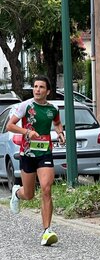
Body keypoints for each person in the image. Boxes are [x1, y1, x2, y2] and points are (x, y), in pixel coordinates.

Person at [6, 75, 65, 246]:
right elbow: (10, 125)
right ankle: (17, 193)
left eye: (41, 87)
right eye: (35, 86)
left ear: (48, 91)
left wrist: (60, 133)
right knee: (29, 194)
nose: (37, 89)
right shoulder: (26, 106)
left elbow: (57, 122)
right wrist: (27, 132)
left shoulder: (53, 109)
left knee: (46, 188)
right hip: (27, 153)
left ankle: (47, 231)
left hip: (45, 152)